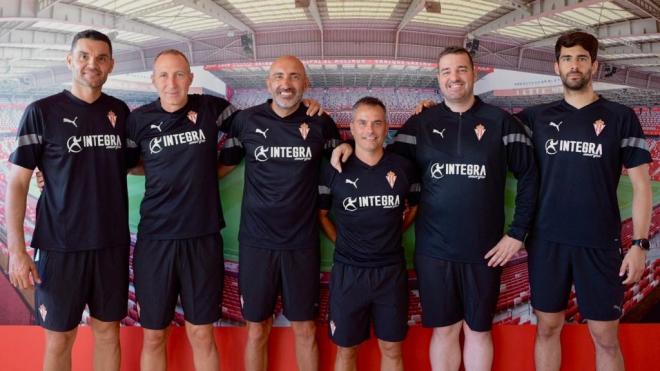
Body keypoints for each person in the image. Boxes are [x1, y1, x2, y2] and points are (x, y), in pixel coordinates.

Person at [331, 47, 538, 371]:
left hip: (485, 252)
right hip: (434, 250)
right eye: (446, 71)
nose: (453, 77)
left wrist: (517, 233)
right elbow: (376, 152)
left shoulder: (501, 122)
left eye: (461, 70)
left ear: (473, 74)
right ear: (438, 78)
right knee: (444, 330)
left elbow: (529, 175)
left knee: (478, 331)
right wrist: (346, 144)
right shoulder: (420, 123)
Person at [516, 31, 652, 371]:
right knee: (547, 329)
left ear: (594, 65)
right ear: (556, 65)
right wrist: (433, 113)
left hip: (599, 243)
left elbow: (641, 186)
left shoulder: (621, 117)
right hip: (547, 241)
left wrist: (639, 244)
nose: (573, 65)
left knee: (605, 337)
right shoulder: (534, 118)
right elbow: (483, 127)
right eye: (566, 58)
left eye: (580, 58)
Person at [6, 30, 135, 371]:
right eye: (84, 56)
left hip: (110, 245)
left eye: (101, 58)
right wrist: (17, 252)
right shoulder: (41, 112)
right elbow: (18, 182)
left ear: (111, 65)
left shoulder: (120, 113)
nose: (92, 64)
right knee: (60, 337)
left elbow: (136, 165)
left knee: (108, 333)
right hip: (60, 246)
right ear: (70, 61)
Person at [219, 55, 340, 371]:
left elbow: (343, 163)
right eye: (279, 76)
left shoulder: (320, 123)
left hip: (301, 245)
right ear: (268, 82)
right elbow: (224, 165)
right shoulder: (246, 121)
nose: (286, 84)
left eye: (294, 77)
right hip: (257, 245)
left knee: (305, 330)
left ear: (305, 83)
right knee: (257, 330)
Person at [318, 97, 420, 371]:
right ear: (351, 127)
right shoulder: (333, 169)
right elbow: (321, 215)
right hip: (349, 274)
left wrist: (394, 232)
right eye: (362, 123)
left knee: (391, 349)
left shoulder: (403, 168)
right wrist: (342, 242)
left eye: (377, 123)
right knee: (346, 350)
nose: (370, 130)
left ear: (387, 128)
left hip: (390, 272)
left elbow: (415, 207)